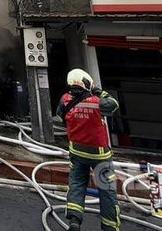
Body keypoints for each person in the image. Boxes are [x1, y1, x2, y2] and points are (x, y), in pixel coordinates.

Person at [57, 68, 120, 231]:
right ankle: (110, 226)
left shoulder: (65, 100)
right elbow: (114, 105)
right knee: (106, 190)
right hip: (100, 154)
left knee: (77, 185)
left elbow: (61, 117)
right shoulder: (96, 101)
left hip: (76, 151)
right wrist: (100, 92)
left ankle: (74, 222)